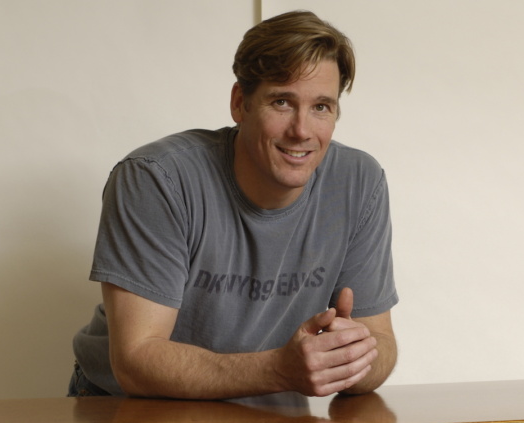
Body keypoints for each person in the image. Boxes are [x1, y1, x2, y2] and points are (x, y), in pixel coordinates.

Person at [69, 10, 397, 400]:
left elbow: (382, 342)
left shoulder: (359, 182)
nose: (302, 131)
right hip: (129, 411)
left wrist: (352, 357)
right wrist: (280, 369)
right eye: (281, 102)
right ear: (240, 103)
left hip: (266, 412)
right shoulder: (156, 179)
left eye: (321, 107)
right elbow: (136, 360)